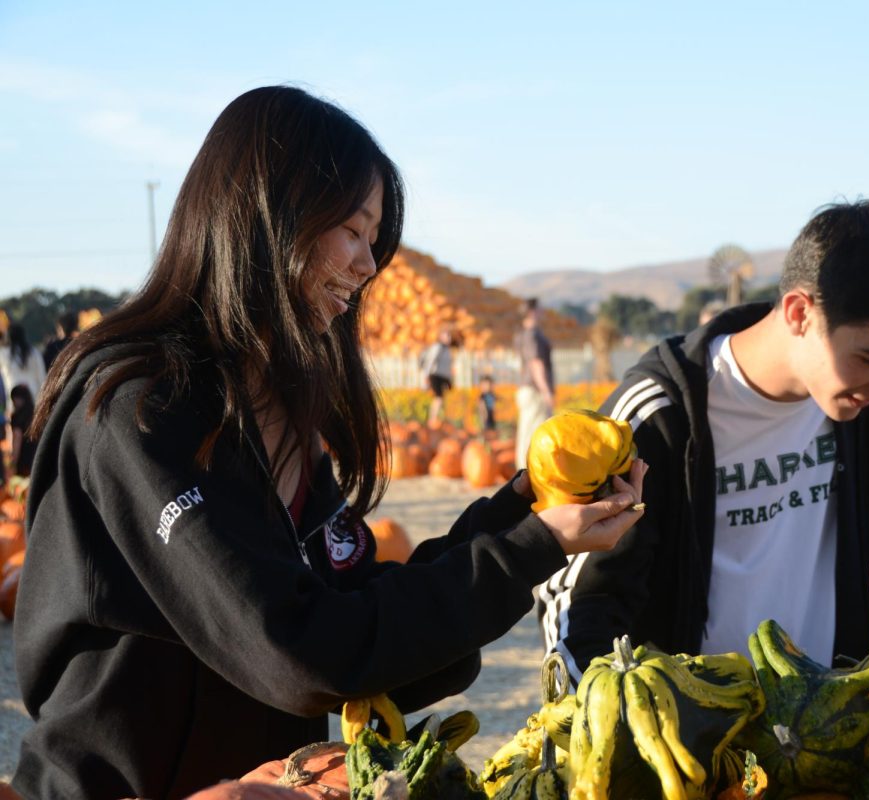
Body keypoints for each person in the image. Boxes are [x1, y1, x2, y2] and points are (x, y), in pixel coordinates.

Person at [13, 85, 646, 800]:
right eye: (352, 228)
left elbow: (357, 623)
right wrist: (529, 547)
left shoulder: (276, 411)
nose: (368, 265)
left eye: (374, 242)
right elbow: (296, 650)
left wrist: (522, 512)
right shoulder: (140, 408)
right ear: (266, 215)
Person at [537, 199, 869, 683]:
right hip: (687, 738)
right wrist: (609, 721)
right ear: (800, 313)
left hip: (825, 729)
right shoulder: (658, 417)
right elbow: (583, 601)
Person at [514, 297, 554, 468]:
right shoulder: (532, 334)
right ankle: (527, 471)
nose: (542, 312)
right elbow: (536, 363)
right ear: (531, 312)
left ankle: (524, 470)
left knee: (526, 431)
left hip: (526, 389)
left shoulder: (522, 334)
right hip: (534, 389)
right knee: (534, 433)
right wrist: (546, 391)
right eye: (539, 309)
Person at [0, 323, 47, 402]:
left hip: (13, 399)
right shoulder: (34, 352)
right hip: (34, 397)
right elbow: (42, 377)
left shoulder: (3, 354)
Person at [420, 326, 455, 427]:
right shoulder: (437, 347)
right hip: (435, 375)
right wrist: (426, 376)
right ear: (441, 336)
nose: (449, 338)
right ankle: (432, 420)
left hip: (443, 377)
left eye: (449, 336)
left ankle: (440, 419)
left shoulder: (447, 349)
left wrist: (449, 378)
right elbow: (430, 361)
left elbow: (447, 366)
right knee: (438, 397)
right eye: (447, 335)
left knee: (443, 398)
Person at [7, 383, 35, 477]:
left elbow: (17, 438)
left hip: (24, 459)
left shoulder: (17, 417)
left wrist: (13, 461)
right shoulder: (36, 412)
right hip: (36, 456)